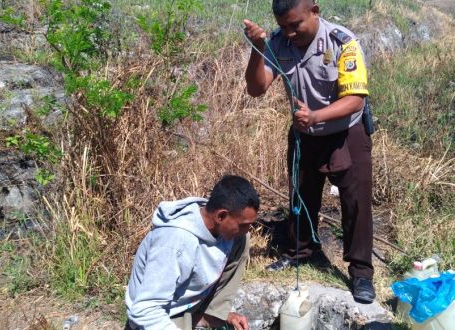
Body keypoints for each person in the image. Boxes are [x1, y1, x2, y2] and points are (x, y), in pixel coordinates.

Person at [243, 0, 376, 303]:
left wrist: (316, 116)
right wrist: (258, 48)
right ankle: (301, 252)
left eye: (296, 25)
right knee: (301, 196)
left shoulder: (343, 42)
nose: (289, 33)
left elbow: (355, 100)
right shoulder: (277, 42)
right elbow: (256, 88)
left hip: (346, 133)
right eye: (283, 26)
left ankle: (361, 273)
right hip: (305, 134)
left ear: (315, 11)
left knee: (356, 203)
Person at [125, 175, 259, 330]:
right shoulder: (175, 240)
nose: (246, 230)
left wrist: (220, 315)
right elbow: (145, 310)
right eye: (243, 225)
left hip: (191, 308)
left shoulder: (235, 236)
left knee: (242, 240)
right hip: (162, 316)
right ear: (221, 216)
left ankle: (209, 316)